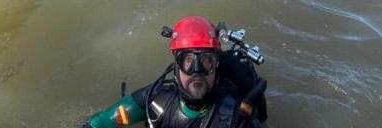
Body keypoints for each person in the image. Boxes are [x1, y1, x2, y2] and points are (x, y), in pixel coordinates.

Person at [81, 16, 268, 128]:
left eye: (206, 62)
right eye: (187, 61)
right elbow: (98, 123)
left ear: (216, 65)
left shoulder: (235, 118)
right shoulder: (155, 102)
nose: (197, 72)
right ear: (176, 66)